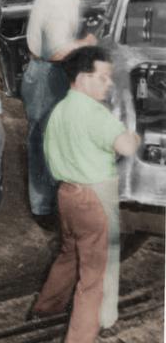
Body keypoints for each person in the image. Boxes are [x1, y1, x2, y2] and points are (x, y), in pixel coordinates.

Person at [29, 46, 139, 341]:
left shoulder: (58, 111)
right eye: (103, 77)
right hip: (96, 198)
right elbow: (126, 147)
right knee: (94, 277)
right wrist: (134, 134)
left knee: (70, 253)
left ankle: (45, 309)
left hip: (67, 195)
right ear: (82, 77)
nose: (109, 83)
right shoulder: (95, 114)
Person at [21, 0, 105, 223]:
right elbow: (56, 51)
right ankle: (43, 209)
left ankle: (46, 202)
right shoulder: (59, 3)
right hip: (47, 75)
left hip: (45, 72)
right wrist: (87, 43)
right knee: (45, 143)